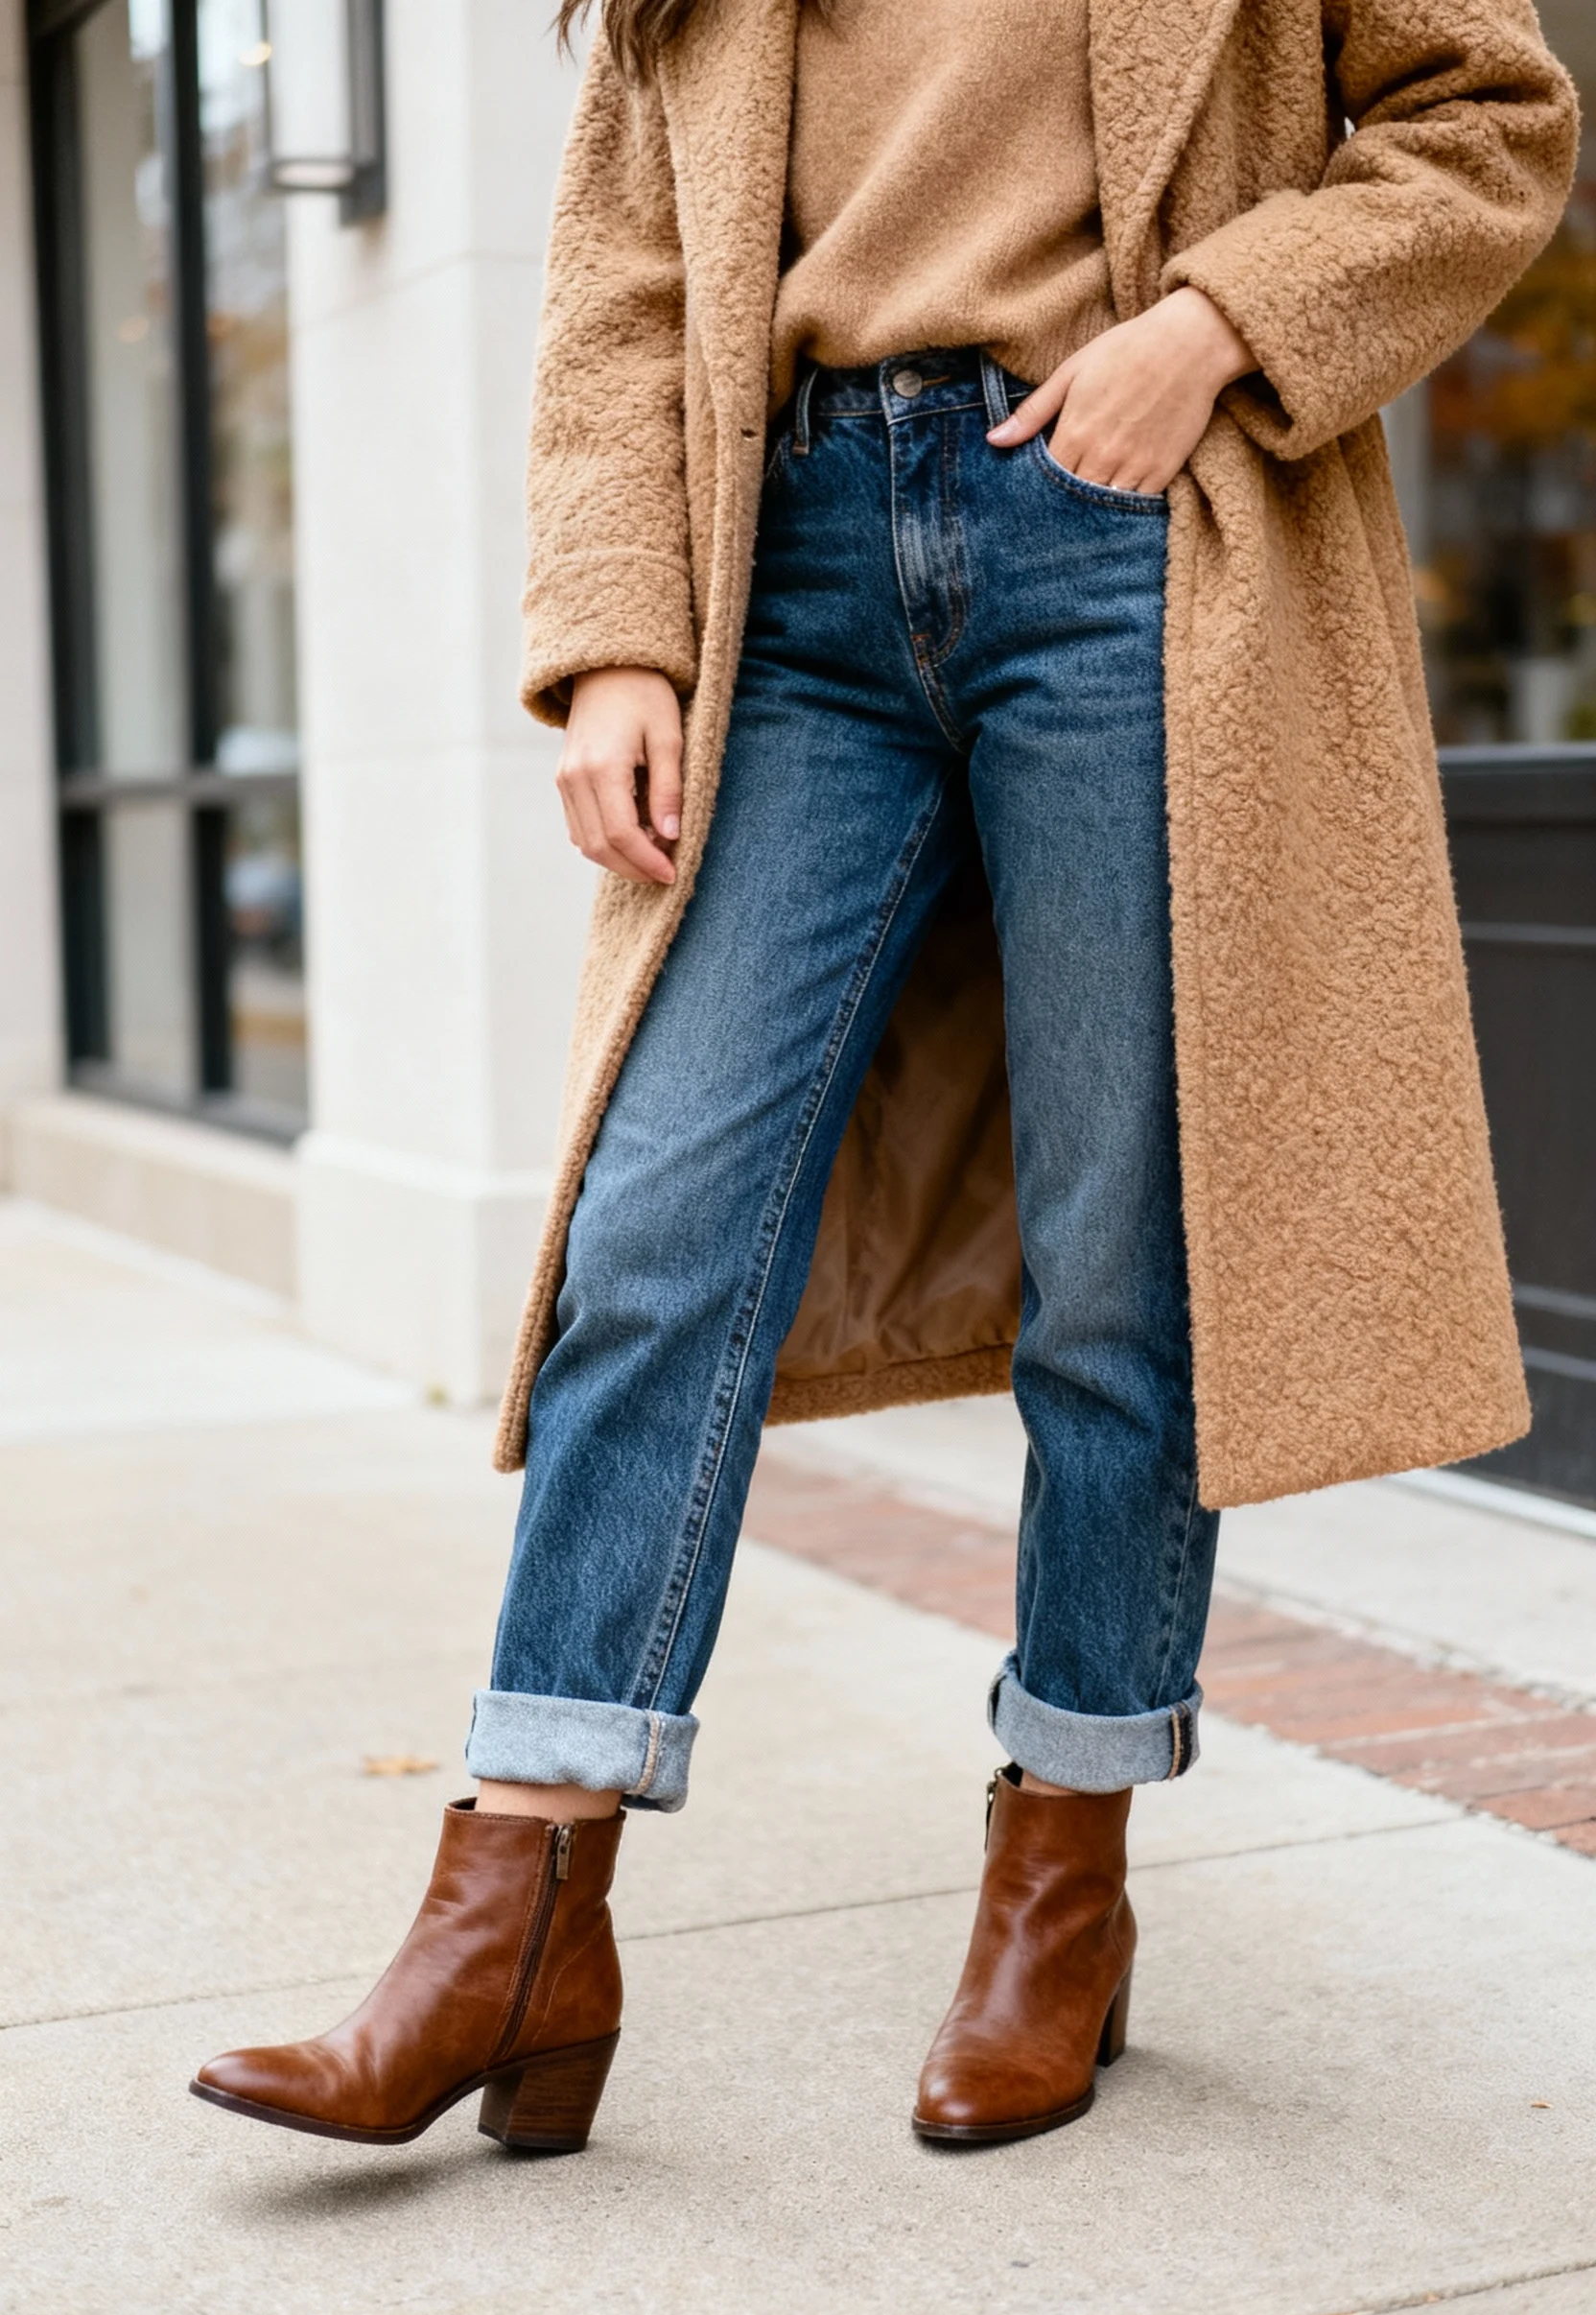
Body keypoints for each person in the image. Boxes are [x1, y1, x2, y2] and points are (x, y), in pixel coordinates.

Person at [191, 0, 1577, 2155]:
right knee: (655, 1226)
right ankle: (521, 1902)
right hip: (797, 571)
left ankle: (1065, 1875)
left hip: (1124, 534)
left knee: (1123, 1261)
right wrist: (616, 634)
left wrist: (1214, 323)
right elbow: (627, 286)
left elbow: (1487, 113)